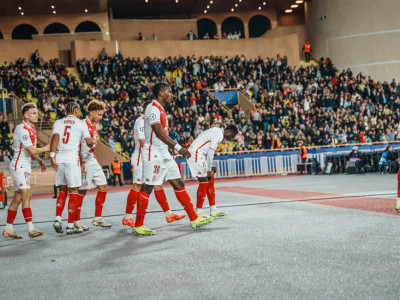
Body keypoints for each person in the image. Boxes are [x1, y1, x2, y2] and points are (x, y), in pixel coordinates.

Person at [132, 82, 213, 236]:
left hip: (164, 153)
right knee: (147, 187)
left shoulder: (160, 109)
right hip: (153, 154)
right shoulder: (153, 108)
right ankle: (138, 225)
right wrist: (178, 148)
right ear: (161, 93)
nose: (171, 94)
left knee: (178, 182)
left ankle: (194, 219)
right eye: (168, 91)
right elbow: (158, 132)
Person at [123, 101, 185, 227]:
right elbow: (142, 141)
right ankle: (127, 217)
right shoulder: (141, 121)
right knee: (137, 186)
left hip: (150, 157)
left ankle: (168, 214)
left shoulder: (148, 121)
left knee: (157, 185)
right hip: (142, 158)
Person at [3, 103, 49, 239]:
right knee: (26, 194)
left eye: (37, 112)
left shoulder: (32, 129)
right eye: (34, 113)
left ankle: (8, 229)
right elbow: (31, 150)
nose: (37, 115)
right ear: (26, 115)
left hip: (25, 166)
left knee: (17, 198)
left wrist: (39, 160)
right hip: (19, 166)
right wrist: (46, 148)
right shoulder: (21, 129)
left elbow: (31, 151)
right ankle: (31, 228)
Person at [51, 102, 94, 235]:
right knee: (74, 191)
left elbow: (55, 138)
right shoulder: (81, 123)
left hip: (59, 158)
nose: (80, 113)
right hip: (72, 159)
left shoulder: (58, 122)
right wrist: (92, 145)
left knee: (62, 190)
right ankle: (70, 225)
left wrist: (52, 156)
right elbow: (88, 141)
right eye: (79, 111)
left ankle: (58, 219)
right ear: (75, 111)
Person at [187, 125, 238, 218]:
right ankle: (199, 212)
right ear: (228, 131)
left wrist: (210, 167)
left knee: (210, 179)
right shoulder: (219, 135)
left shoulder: (216, 131)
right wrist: (209, 169)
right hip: (196, 154)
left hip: (199, 154)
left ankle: (213, 209)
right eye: (231, 136)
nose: (230, 139)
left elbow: (206, 149)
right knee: (204, 181)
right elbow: (210, 152)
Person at [75, 100, 111, 230]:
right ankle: (76, 221)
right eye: (99, 114)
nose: (101, 117)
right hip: (84, 162)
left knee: (103, 187)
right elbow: (77, 145)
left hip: (93, 161)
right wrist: (80, 162)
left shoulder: (93, 125)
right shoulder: (82, 125)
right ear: (91, 112)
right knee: (82, 191)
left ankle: (97, 218)